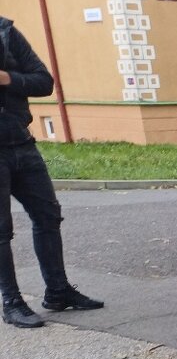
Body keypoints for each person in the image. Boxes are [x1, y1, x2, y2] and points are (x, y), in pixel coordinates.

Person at [0, 16, 102, 329]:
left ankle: (58, 291)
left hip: (21, 142)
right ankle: (12, 302)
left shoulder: (5, 32)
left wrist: (7, 79)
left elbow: (44, 81)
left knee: (47, 216)